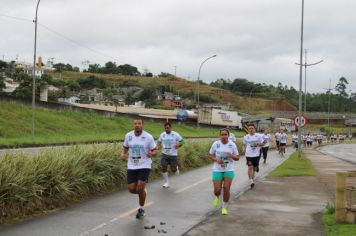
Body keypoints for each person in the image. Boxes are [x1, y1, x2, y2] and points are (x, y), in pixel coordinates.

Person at [120, 118, 157, 219]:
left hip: (144, 165)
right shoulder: (128, 136)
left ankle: (141, 209)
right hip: (132, 165)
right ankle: (143, 191)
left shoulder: (148, 137)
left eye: (139, 123)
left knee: (140, 186)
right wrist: (122, 154)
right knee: (132, 189)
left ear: (142, 125)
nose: (137, 125)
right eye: (135, 123)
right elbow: (125, 147)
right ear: (133, 125)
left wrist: (151, 153)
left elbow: (155, 150)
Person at [209, 128, 240, 215]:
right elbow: (210, 155)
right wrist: (216, 159)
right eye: (222, 134)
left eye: (225, 134)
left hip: (228, 169)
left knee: (226, 188)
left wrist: (232, 155)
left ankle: (224, 207)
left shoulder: (232, 145)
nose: (223, 136)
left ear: (228, 136)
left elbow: (237, 158)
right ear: (220, 136)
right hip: (217, 169)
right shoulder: (216, 144)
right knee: (217, 191)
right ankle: (217, 197)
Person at [157, 122, 185, 188]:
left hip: (173, 155)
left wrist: (178, 144)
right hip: (164, 154)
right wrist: (158, 146)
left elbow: (182, 141)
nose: (167, 129)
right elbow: (159, 142)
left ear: (171, 128)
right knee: (164, 167)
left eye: (168, 128)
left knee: (173, 170)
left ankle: (176, 168)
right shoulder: (162, 135)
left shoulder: (175, 134)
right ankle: (166, 182)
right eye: (165, 128)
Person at [243, 124, 263, 189]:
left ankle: (254, 172)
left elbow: (262, 144)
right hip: (248, 155)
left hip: (256, 154)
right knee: (250, 167)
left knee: (254, 167)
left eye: (252, 128)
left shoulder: (258, 136)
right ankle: (251, 180)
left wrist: (257, 144)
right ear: (248, 130)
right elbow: (244, 145)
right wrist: (243, 149)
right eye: (249, 128)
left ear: (254, 129)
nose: (251, 129)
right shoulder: (246, 137)